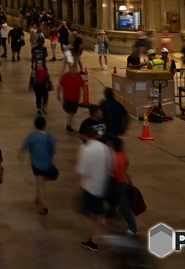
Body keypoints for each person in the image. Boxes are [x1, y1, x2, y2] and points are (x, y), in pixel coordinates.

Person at [76, 124, 111, 252]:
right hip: (102, 186)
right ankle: (94, 241)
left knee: (83, 212)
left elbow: (83, 170)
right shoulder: (104, 147)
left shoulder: (85, 149)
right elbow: (109, 165)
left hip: (90, 187)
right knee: (97, 213)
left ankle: (100, 234)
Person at [20, 116, 56, 214]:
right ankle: (37, 197)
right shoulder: (50, 138)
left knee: (40, 184)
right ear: (44, 125)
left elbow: (24, 147)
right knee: (40, 182)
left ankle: (44, 207)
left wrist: (20, 156)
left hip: (37, 165)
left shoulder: (32, 136)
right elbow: (52, 153)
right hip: (47, 164)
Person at [106, 137, 138, 236]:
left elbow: (112, 171)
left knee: (123, 207)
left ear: (114, 145)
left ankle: (133, 229)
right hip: (124, 182)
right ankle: (108, 221)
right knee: (113, 202)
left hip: (117, 183)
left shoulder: (113, 156)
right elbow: (126, 165)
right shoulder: (123, 155)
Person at [57, 65, 85, 132]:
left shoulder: (78, 76)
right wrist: (58, 95)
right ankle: (69, 125)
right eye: (73, 69)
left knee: (72, 112)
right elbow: (60, 85)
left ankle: (69, 124)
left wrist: (84, 92)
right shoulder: (65, 76)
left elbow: (82, 84)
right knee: (70, 112)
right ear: (70, 69)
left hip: (75, 98)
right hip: (67, 98)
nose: (74, 70)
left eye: (75, 68)